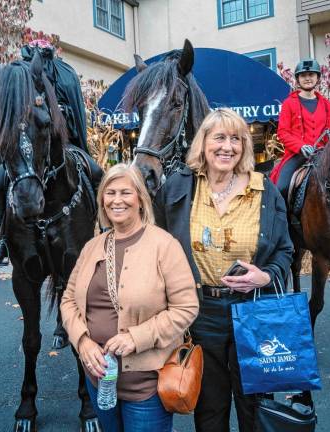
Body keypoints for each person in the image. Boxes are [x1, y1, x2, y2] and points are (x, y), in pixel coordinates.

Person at [154, 108, 293, 432]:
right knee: (210, 410)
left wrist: (267, 275)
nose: (227, 146)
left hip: (253, 311)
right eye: (219, 137)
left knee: (255, 407)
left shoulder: (264, 190)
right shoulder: (178, 187)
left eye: (236, 139)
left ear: (244, 146)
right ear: (203, 144)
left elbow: (285, 248)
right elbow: (156, 241)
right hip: (202, 313)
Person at [60, 163, 199, 432]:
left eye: (125, 192)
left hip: (146, 385)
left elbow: (186, 307)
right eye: (110, 193)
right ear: (102, 201)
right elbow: (68, 300)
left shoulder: (164, 245)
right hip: (99, 377)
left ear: (140, 199)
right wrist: (83, 341)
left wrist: (137, 337)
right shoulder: (92, 247)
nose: (117, 200)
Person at [0, 40, 102, 263]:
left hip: (62, 143)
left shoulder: (65, 75)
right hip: (26, 146)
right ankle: (2, 237)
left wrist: (60, 114)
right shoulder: (20, 78)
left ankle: (103, 228)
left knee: (97, 172)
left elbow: (75, 111)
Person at [270, 58, 330, 199]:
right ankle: (284, 220)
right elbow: (283, 132)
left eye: (311, 74)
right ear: (298, 79)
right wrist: (300, 146)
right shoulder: (288, 104)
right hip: (297, 155)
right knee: (281, 188)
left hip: (324, 155)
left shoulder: (327, 105)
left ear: (317, 78)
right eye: (303, 75)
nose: (308, 78)